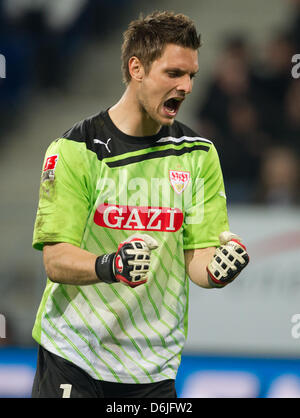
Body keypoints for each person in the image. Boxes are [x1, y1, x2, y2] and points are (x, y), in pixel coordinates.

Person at [31, 11, 249, 399]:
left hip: (152, 367)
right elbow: (56, 259)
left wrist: (218, 269)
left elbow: (198, 259)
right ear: (137, 69)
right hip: (75, 356)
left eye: (191, 76)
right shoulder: (76, 150)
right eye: (174, 74)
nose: (185, 87)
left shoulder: (198, 156)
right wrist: (111, 265)